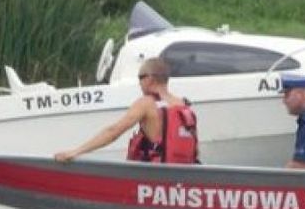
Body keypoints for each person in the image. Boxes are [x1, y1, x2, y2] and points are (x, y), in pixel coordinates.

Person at [55, 57, 198, 164]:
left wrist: (76, 152)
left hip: (153, 177)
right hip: (180, 179)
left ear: (149, 79)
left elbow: (113, 132)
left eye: (140, 78)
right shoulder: (184, 105)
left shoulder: (146, 103)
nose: (139, 83)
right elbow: (195, 150)